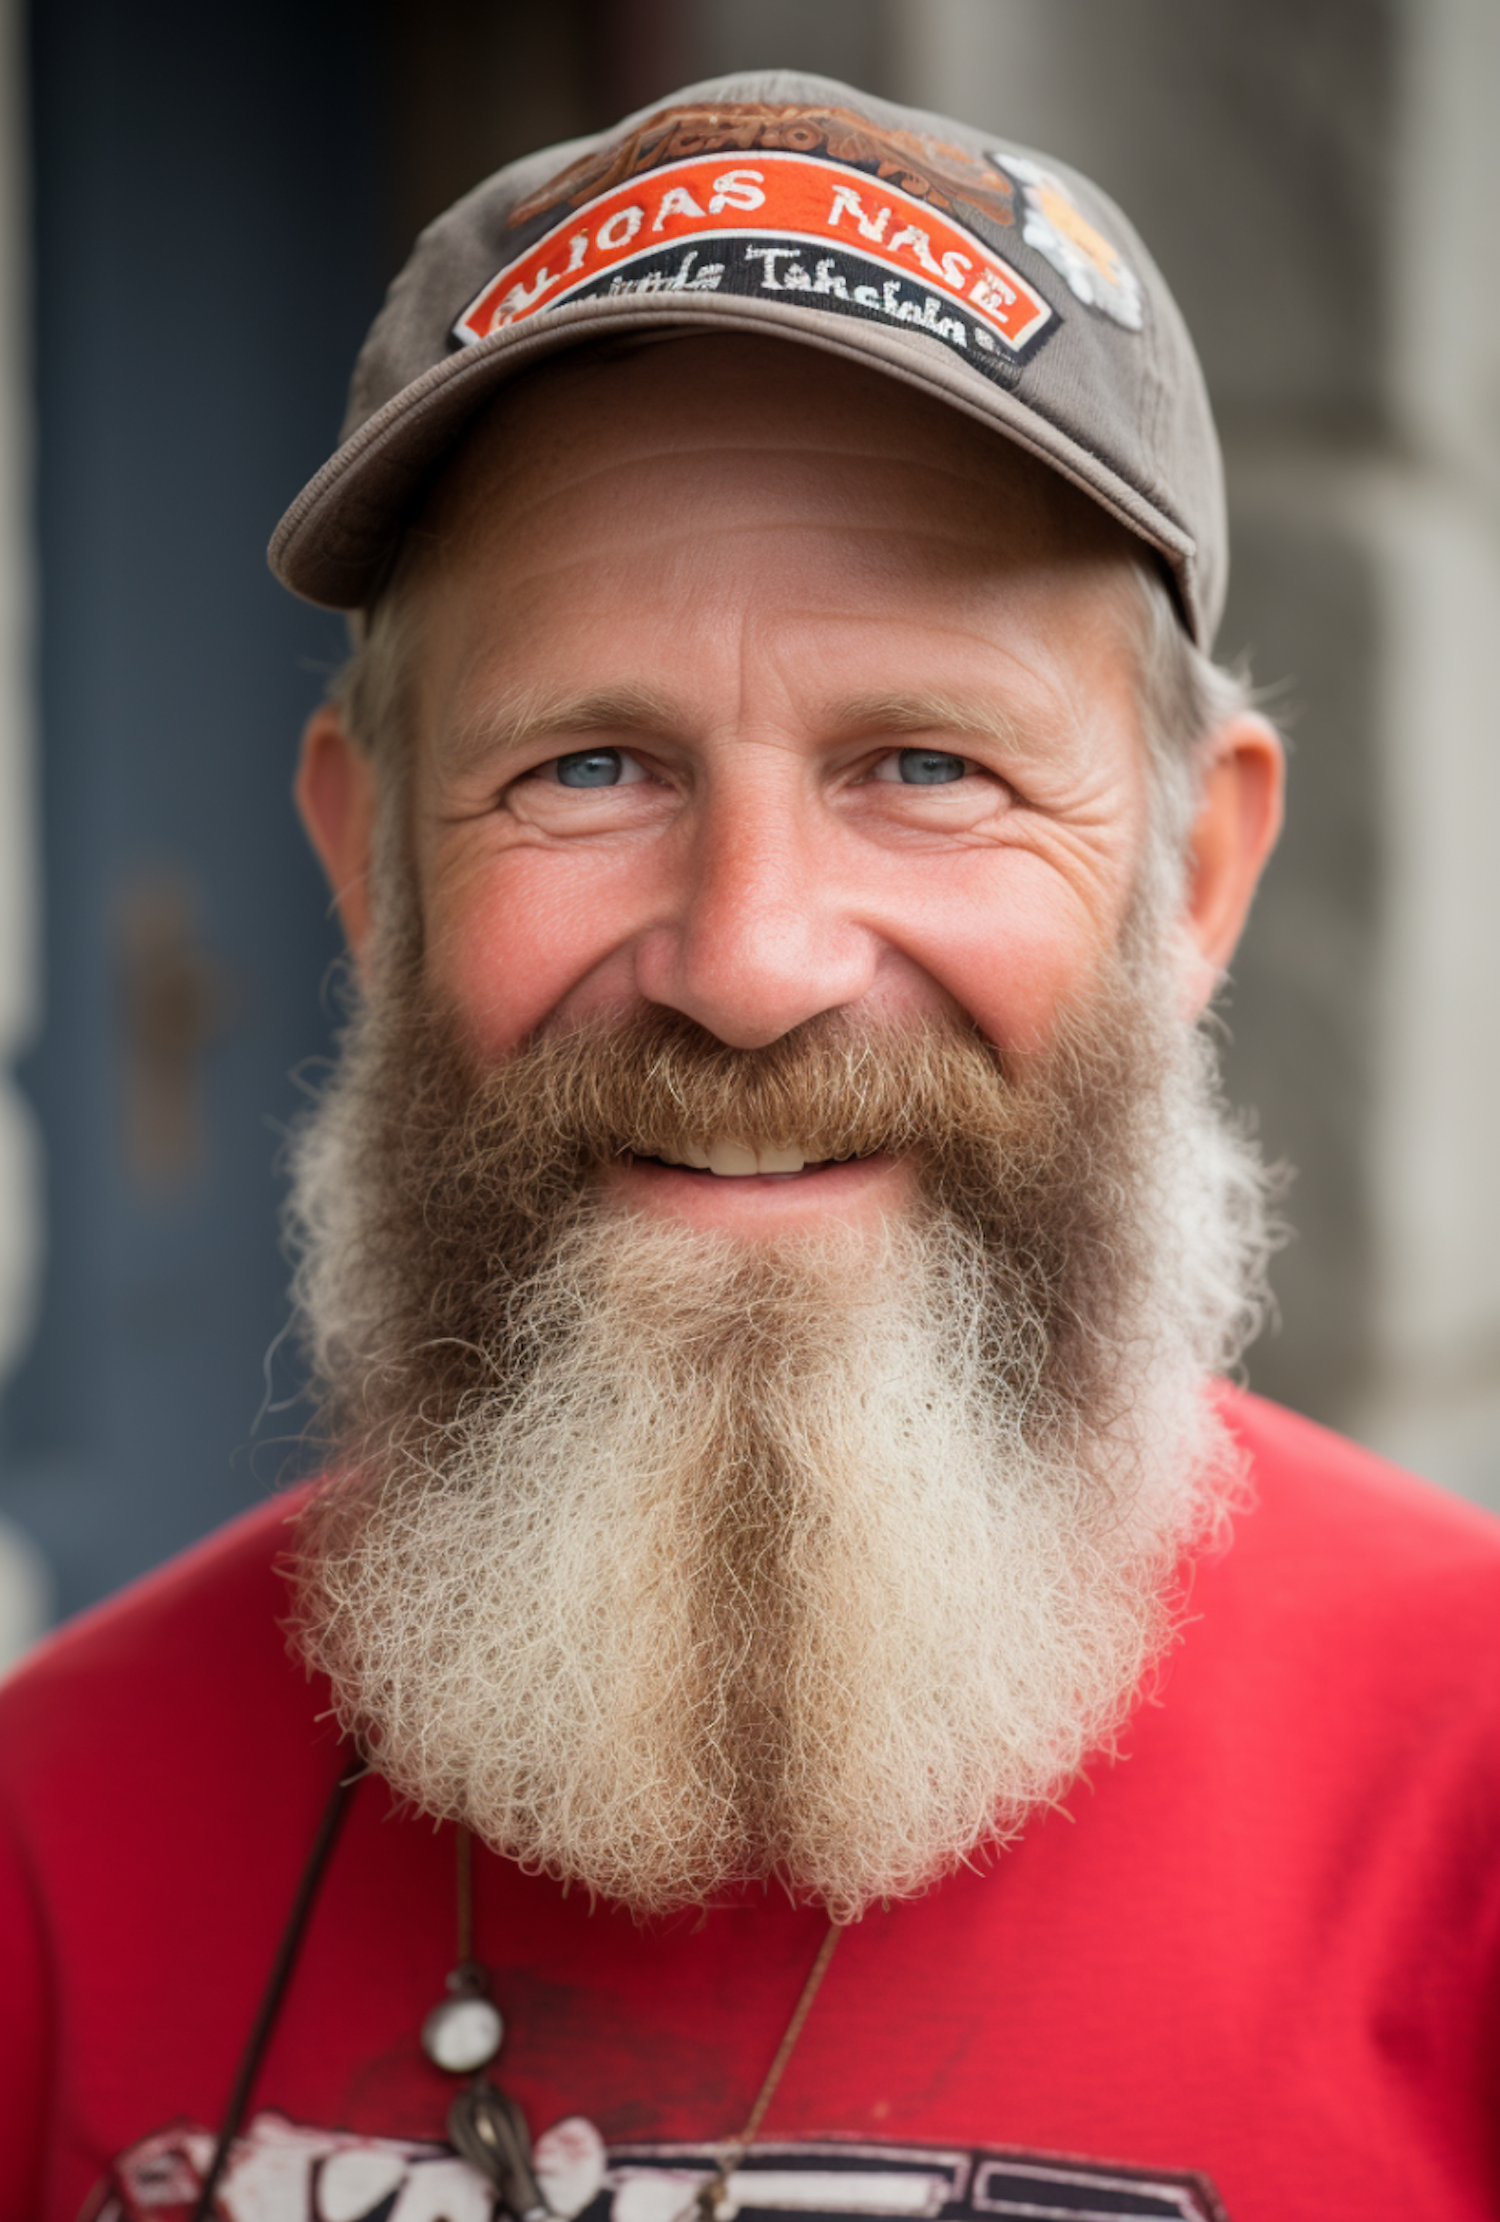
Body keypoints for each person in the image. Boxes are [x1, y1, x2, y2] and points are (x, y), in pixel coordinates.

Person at [2, 67, 1497, 2222]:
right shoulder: (53, 1830)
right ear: (368, 868)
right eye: (590, 768)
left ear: (1192, 879)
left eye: (926, 761)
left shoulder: (1471, 1811)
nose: (752, 960)